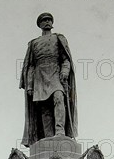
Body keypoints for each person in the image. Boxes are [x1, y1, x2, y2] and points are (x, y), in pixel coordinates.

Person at [20, 12, 78, 147]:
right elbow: (30, 66)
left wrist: (65, 71)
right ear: (40, 24)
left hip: (56, 73)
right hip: (40, 77)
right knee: (44, 108)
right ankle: (48, 135)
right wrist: (29, 85)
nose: (47, 22)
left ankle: (60, 131)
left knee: (59, 97)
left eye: (49, 20)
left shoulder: (59, 38)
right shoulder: (34, 43)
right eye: (44, 20)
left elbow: (66, 59)